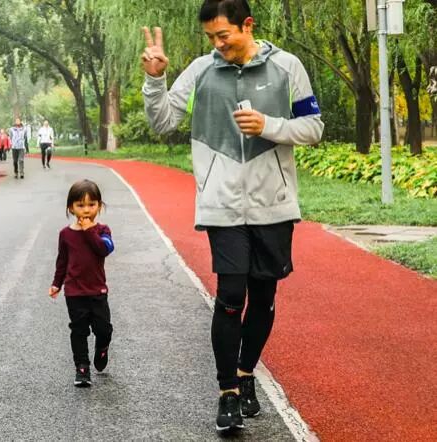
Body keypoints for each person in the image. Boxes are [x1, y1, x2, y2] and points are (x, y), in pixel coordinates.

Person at [141, 0, 324, 433]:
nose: (217, 44)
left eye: (223, 35)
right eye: (211, 37)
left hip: (273, 204)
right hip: (221, 204)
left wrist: (269, 125)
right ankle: (227, 393)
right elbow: (163, 122)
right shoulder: (201, 70)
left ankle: (245, 374)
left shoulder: (287, 66)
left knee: (262, 297)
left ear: (247, 25)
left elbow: (314, 127)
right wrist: (155, 80)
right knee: (229, 296)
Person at [49, 180, 115, 388]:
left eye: (91, 205)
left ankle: (102, 348)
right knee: (79, 330)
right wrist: (57, 283)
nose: (86, 210)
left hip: (97, 290)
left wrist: (89, 231)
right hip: (75, 292)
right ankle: (82, 368)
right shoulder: (66, 234)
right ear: (71, 207)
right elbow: (62, 261)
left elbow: (104, 249)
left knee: (104, 329)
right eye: (80, 205)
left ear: (99, 206)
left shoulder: (103, 231)